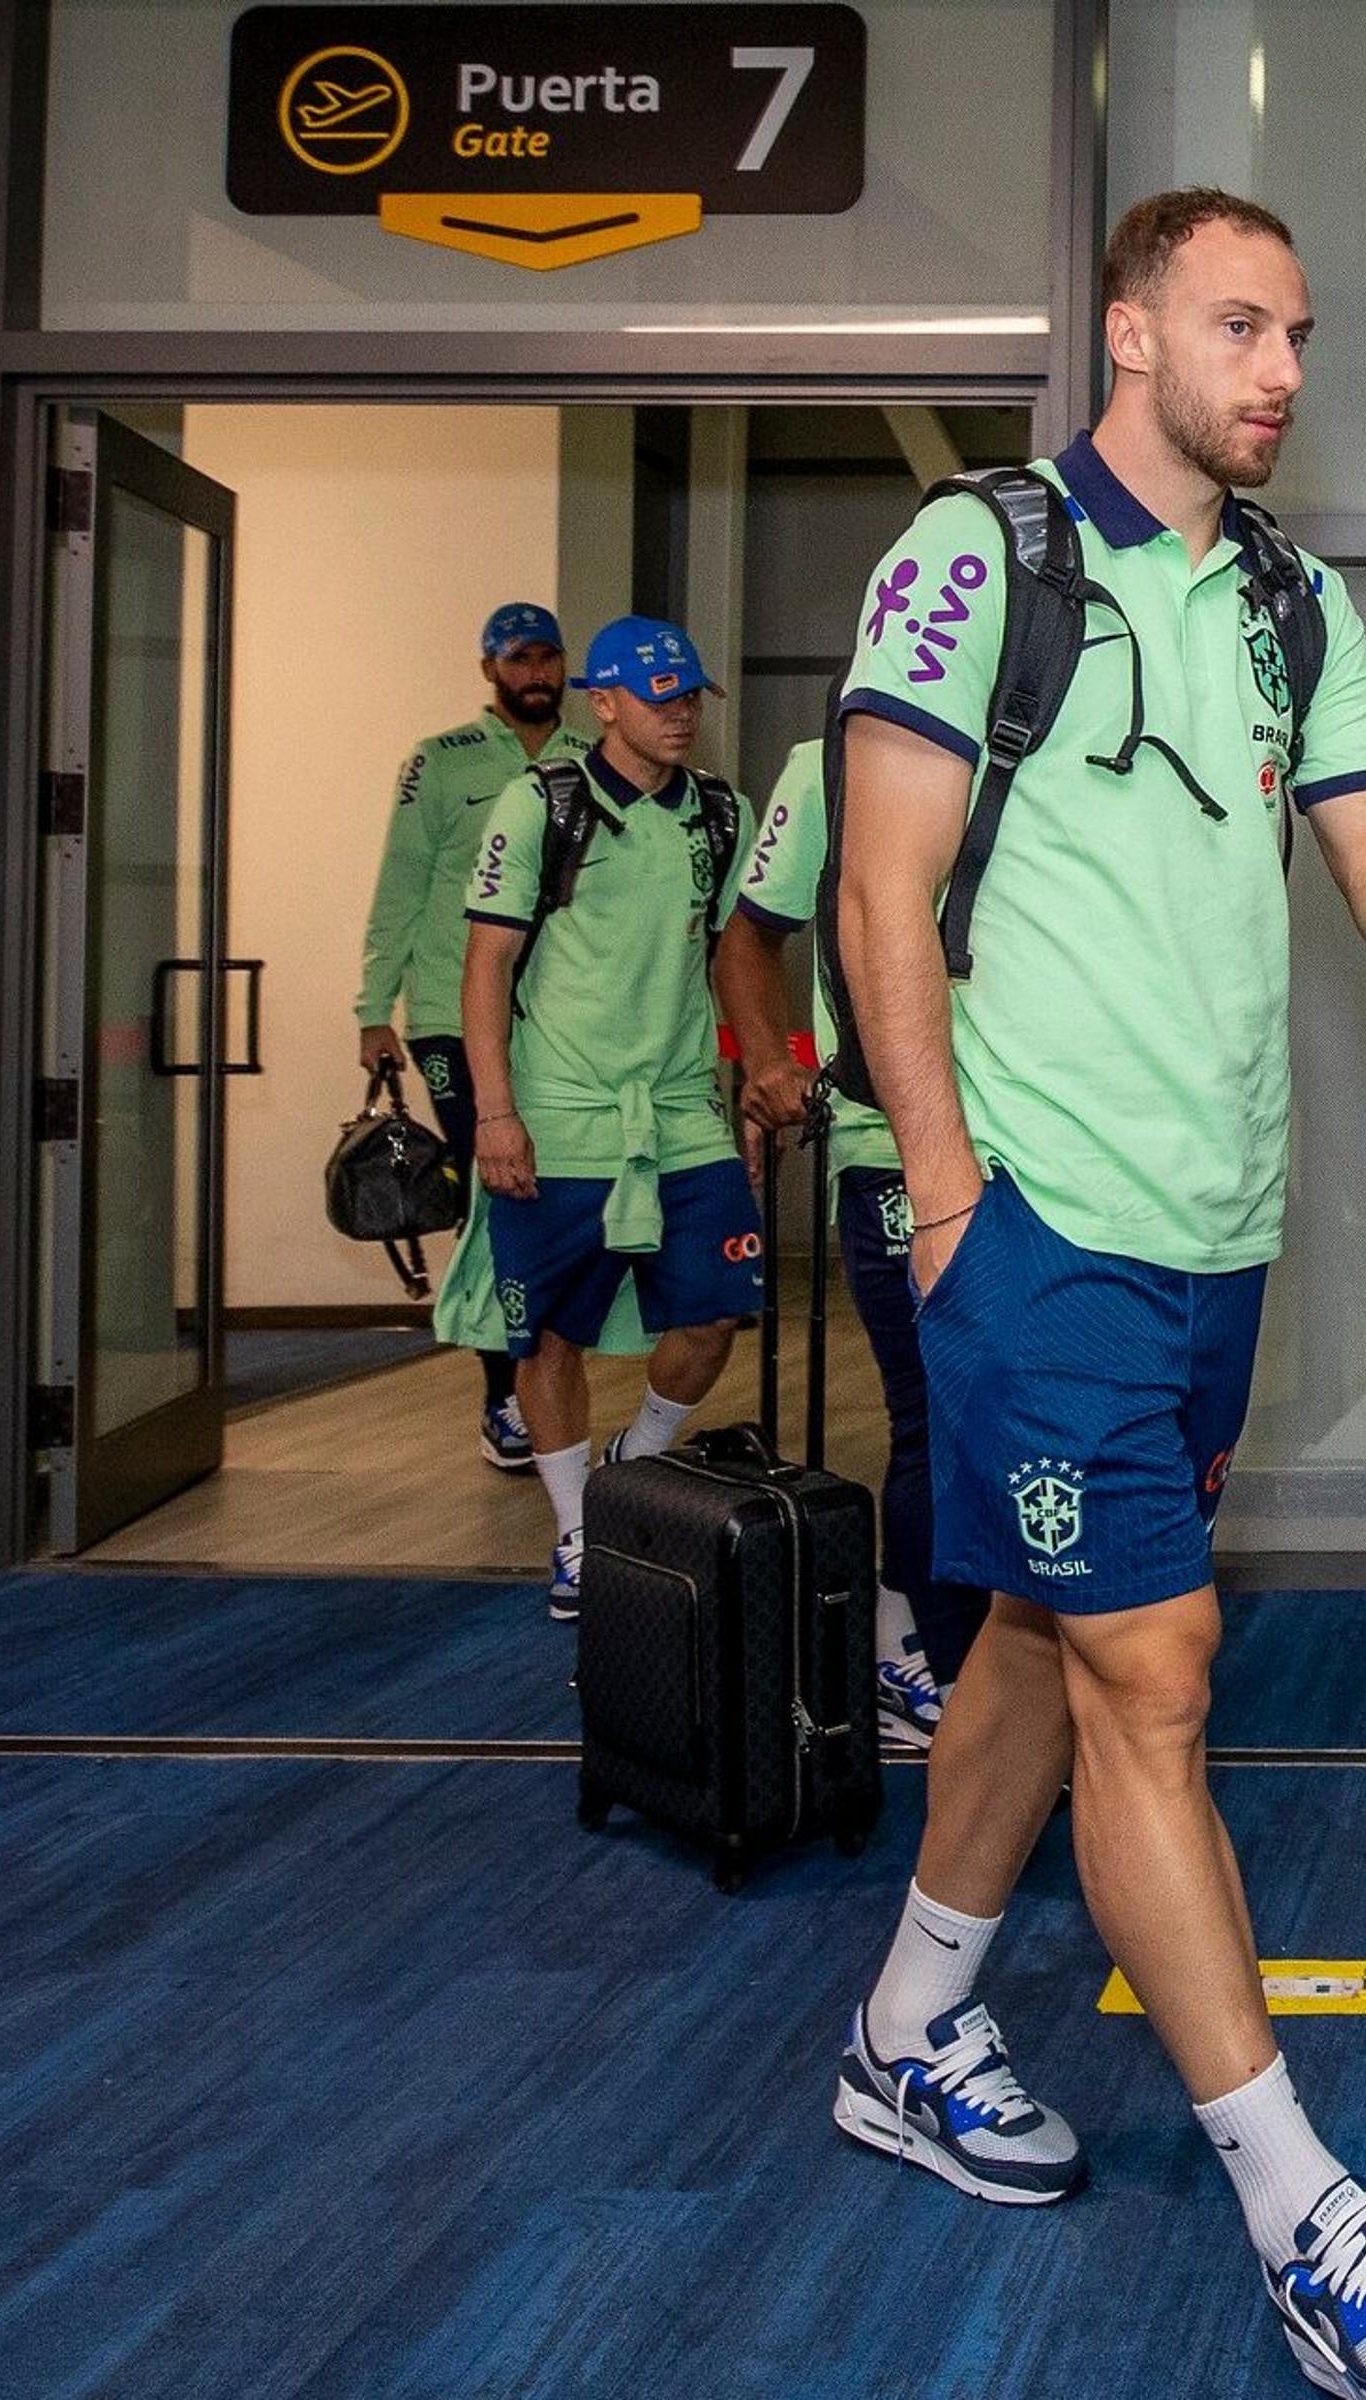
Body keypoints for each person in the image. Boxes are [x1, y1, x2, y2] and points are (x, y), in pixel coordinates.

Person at [821, 188, 1366, 2399]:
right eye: (1241, 325)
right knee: (1156, 1664)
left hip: (1217, 1234)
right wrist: (942, 1194)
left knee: (1041, 1640)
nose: (1281, 366)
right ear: (1130, 333)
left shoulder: (1296, 602)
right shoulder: (981, 560)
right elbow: (878, 887)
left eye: (1299, 330)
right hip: (1034, 1225)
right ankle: (1301, 2204)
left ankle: (909, 2025)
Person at [450, 616, 761, 1619]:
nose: (677, 715)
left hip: (679, 1112)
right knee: (547, 1337)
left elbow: (735, 959)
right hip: (560, 1113)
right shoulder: (539, 805)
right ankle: (582, 1529)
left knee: (715, 1313)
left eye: (687, 697)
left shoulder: (720, 814)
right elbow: (487, 964)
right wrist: (495, 1112)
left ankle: (639, 1460)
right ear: (606, 703)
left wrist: (761, 1073)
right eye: (657, 696)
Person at [715, 734, 987, 1749]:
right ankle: (927, 1659)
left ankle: (955, 1644)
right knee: (933, 1416)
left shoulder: (1043, 729)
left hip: (1035, 1139)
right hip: (888, 1142)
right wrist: (764, 1063)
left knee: (1005, 1416)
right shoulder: (823, 763)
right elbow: (748, 937)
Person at [354, 602, 589, 1469]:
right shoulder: (441, 763)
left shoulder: (587, 760)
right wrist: (374, 1011)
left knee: (548, 1194)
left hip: (554, 1023)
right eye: (519, 660)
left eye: (549, 658)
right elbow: (400, 886)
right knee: (497, 1194)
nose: (537, 675)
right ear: (490, 668)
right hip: (454, 1018)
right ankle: (505, 1394)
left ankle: (542, 1374)